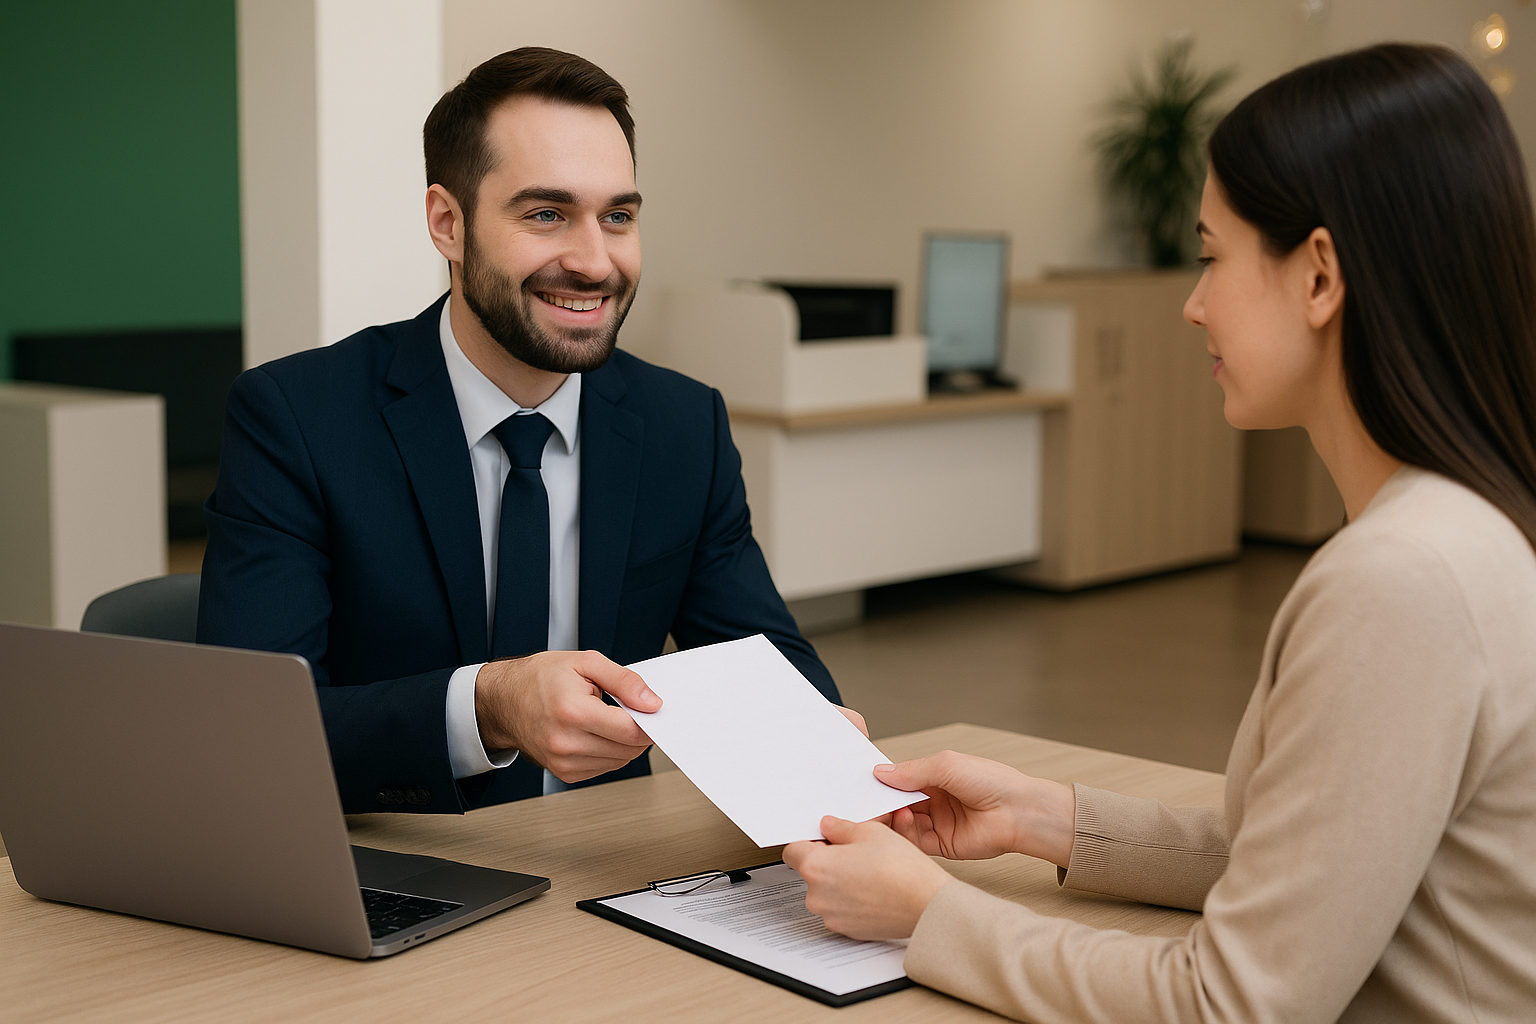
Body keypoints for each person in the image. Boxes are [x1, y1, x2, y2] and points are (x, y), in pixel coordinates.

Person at [784, 43, 1536, 1022]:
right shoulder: (1459, 530)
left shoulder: (1401, 579)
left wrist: (929, 913)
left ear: (1318, 277)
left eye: (1211, 256)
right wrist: (1042, 817)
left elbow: (1230, 1001)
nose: (1192, 305)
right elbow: (1318, 867)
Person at [198, 47, 858, 816]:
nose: (594, 261)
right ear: (449, 224)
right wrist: (485, 707)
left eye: (618, 216)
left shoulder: (685, 425)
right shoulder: (297, 417)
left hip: (603, 866)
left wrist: (814, 737)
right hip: (389, 868)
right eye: (546, 214)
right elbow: (247, 733)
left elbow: (768, 669)